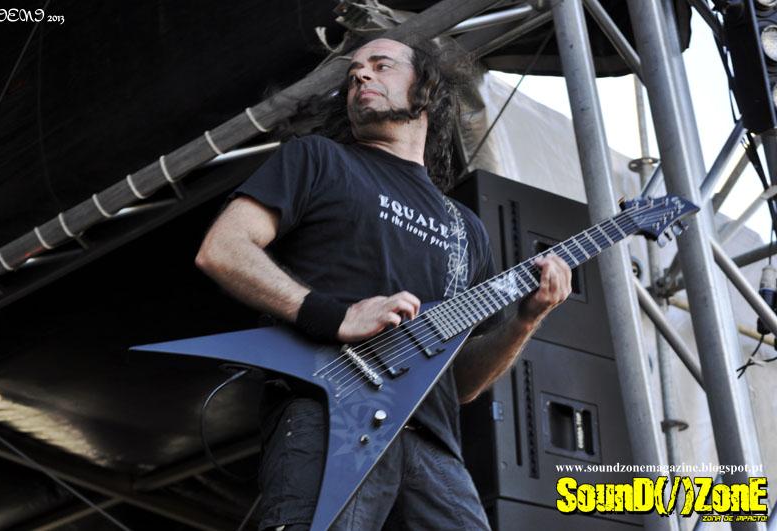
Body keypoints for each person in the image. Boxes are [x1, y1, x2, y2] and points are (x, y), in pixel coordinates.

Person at [195, 37, 572, 531]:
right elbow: (223, 248)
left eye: (381, 65)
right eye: (354, 72)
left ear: (427, 90)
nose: (361, 76)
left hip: (433, 446)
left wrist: (526, 320)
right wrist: (336, 316)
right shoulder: (318, 160)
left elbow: (461, 384)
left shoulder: (466, 229)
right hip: (331, 418)